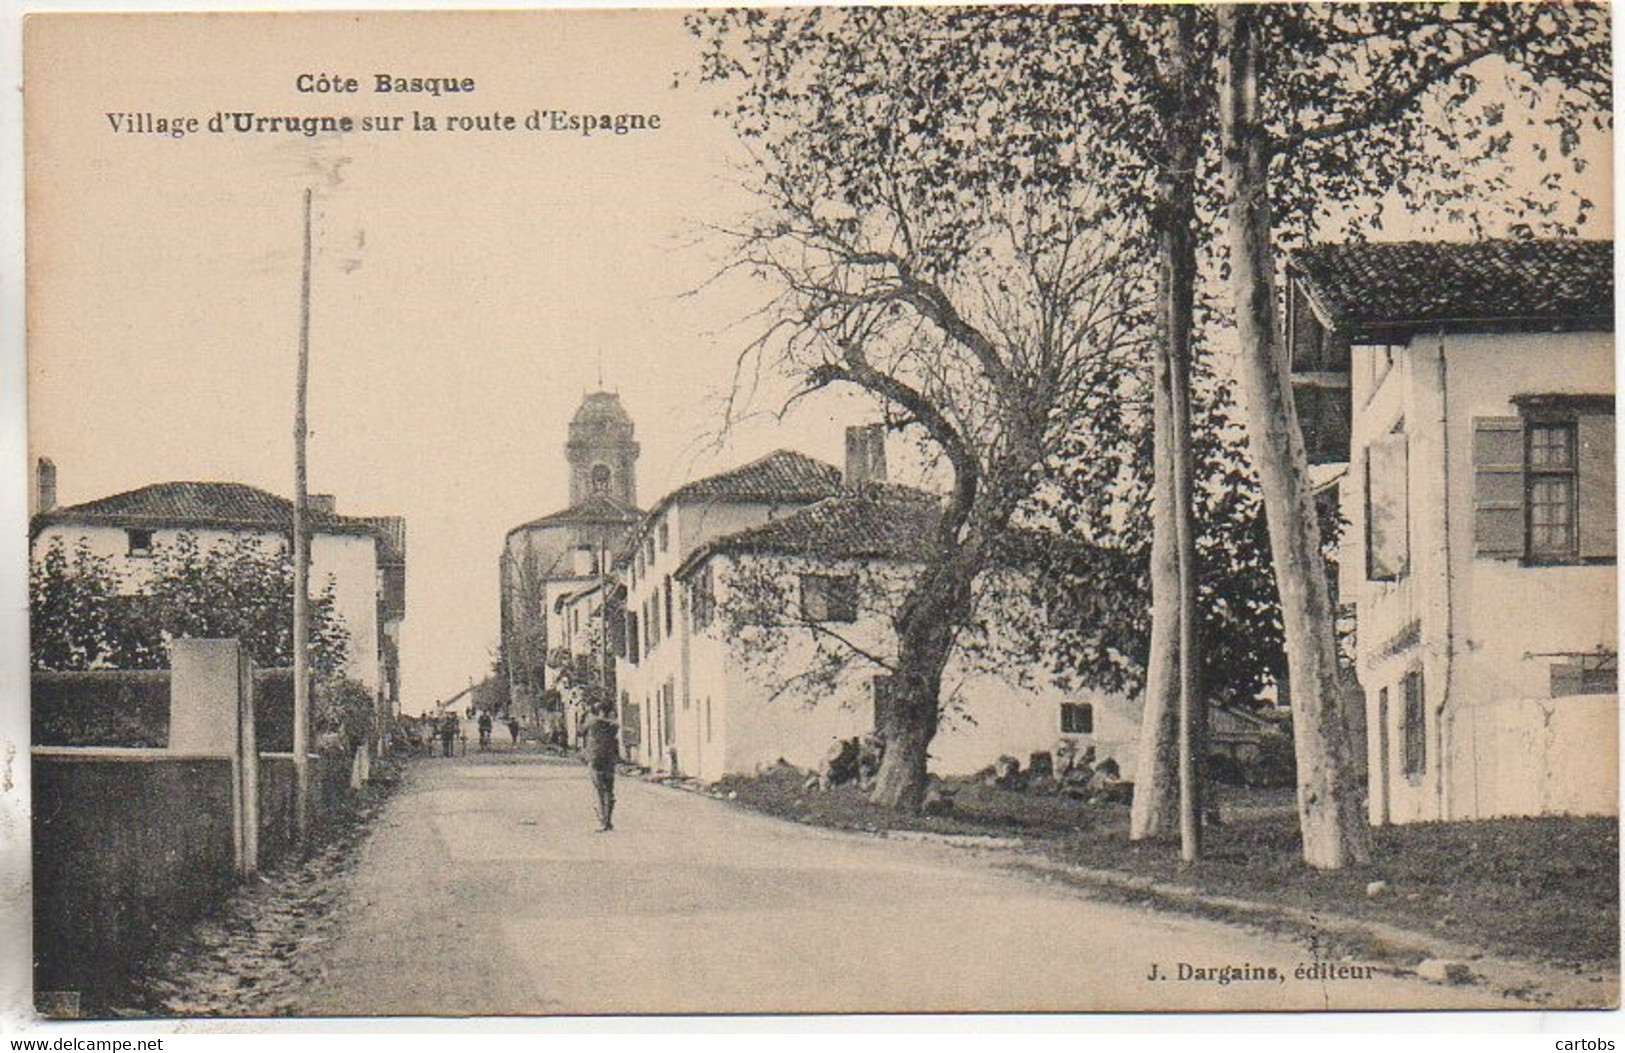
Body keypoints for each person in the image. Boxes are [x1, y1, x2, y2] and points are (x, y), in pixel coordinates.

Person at [581, 707, 620, 832]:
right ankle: (607, 820)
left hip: (596, 760)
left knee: (600, 791)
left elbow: (581, 730)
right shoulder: (612, 726)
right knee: (608, 790)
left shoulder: (592, 724)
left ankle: (604, 820)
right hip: (608, 760)